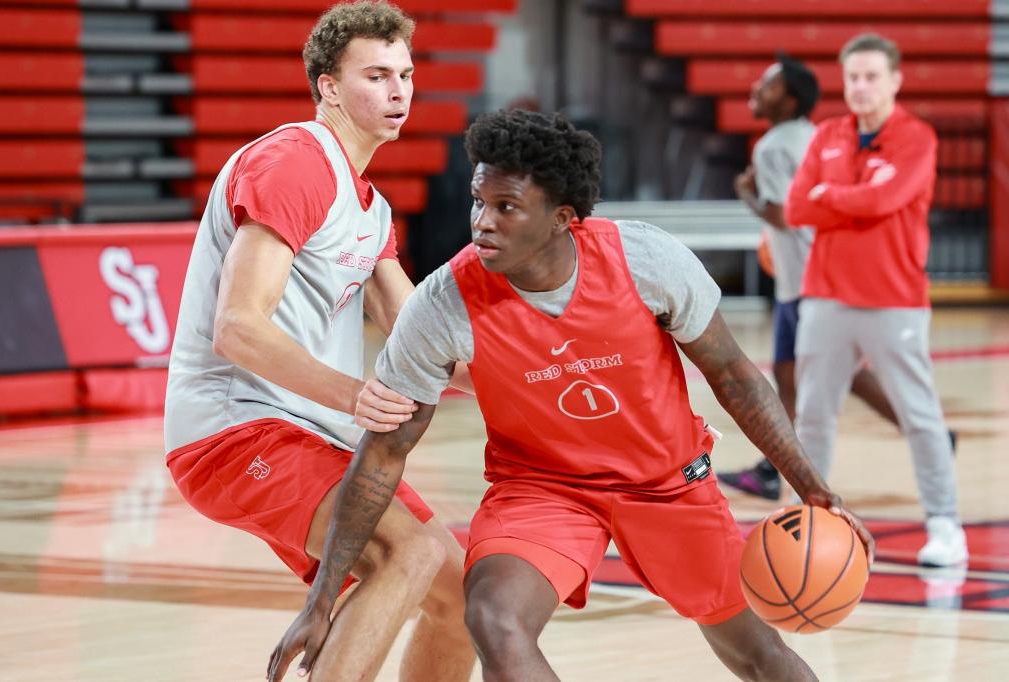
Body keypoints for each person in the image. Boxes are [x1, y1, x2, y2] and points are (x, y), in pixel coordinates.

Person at [303, 109, 875, 681]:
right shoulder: (444, 303)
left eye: (506, 207)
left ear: (561, 219)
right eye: (479, 201)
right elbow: (384, 451)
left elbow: (735, 376)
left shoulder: (646, 260)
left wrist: (812, 486)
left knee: (756, 651)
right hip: (543, 489)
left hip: (667, 483)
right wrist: (322, 597)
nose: (482, 223)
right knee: (494, 615)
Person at [163, 3, 475, 681]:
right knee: (410, 555)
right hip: (234, 430)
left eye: (407, 74)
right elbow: (237, 325)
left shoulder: (371, 206)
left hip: (313, 433)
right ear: (328, 86)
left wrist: (549, 381)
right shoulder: (295, 161)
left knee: (465, 593)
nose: (399, 91)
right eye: (377, 75)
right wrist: (356, 395)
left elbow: (421, 334)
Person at [786, 33, 967, 567]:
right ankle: (809, 523)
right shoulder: (826, 135)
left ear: (895, 80)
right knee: (812, 416)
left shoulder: (917, 138)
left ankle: (944, 524)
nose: (861, 87)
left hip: (895, 299)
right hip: (825, 297)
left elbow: (885, 198)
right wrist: (850, 203)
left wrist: (833, 198)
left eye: (871, 77)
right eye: (853, 78)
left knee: (920, 416)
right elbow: (797, 207)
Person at [720, 54, 904, 501]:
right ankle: (771, 467)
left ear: (790, 98)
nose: (757, 89)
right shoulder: (818, 137)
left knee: (833, 373)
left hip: (805, 281)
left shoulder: (772, 147)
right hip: (816, 276)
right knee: (790, 375)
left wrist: (746, 194)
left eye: (769, 84)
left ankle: (925, 430)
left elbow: (784, 215)